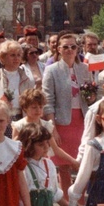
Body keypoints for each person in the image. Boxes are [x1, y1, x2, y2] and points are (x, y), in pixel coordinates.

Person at [42, 31, 91, 197]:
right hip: (62, 123)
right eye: (65, 47)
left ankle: (81, 197)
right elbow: (48, 101)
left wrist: (91, 96)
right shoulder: (51, 70)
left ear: (77, 49)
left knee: (83, 162)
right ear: (59, 50)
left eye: (73, 46)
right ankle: (67, 200)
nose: (69, 50)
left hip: (82, 121)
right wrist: (52, 129)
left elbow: (92, 95)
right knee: (63, 164)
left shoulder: (85, 69)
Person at [0, 40, 35, 137]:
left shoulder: (26, 78)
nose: (16, 58)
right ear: (3, 58)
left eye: (18, 55)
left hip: (21, 119)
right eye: (12, 55)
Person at [12, 88, 79, 168]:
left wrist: (73, 161)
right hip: (25, 165)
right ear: (25, 108)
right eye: (34, 107)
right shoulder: (20, 126)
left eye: (40, 107)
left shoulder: (45, 126)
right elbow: (14, 149)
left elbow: (56, 149)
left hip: (42, 163)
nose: (38, 110)